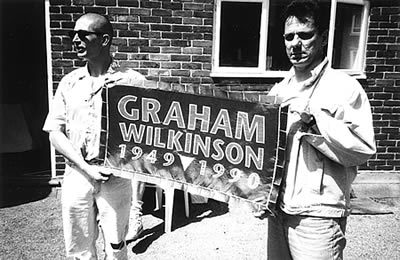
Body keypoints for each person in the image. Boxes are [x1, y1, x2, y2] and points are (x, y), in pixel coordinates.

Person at [260, 0, 376, 259]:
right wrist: (257, 193)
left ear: (323, 37)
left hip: (319, 215)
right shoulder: (279, 90)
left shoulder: (344, 87)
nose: (295, 44)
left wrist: (314, 120)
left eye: (305, 35)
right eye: (289, 37)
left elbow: (363, 149)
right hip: (278, 209)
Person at [43, 13, 146, 259]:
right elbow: (54, 132)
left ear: (104, 40)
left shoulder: (133, 81)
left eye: (83, 35)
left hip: (116, 178)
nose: (75, 41)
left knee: (116, 246)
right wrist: (86, 168)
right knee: (80, 250)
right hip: (77, 175)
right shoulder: (69, 82)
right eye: (72, 35)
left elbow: (150, 133)